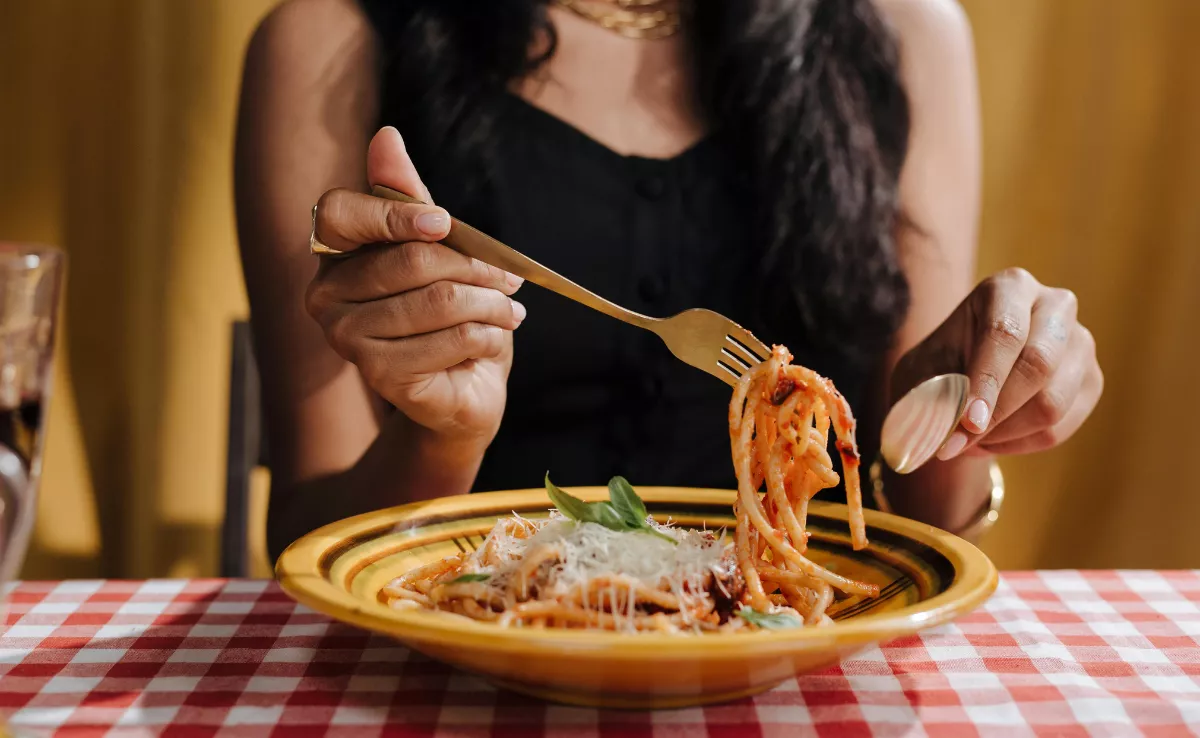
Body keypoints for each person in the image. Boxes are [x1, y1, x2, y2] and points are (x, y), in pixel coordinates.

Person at [235, 0, 1103, 561]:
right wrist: (439, 439)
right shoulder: (327, 42)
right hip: (472, 668)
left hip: (806, 665)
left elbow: (915, 510)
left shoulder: (907, 30)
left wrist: (966, 409)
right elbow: (308, 544)